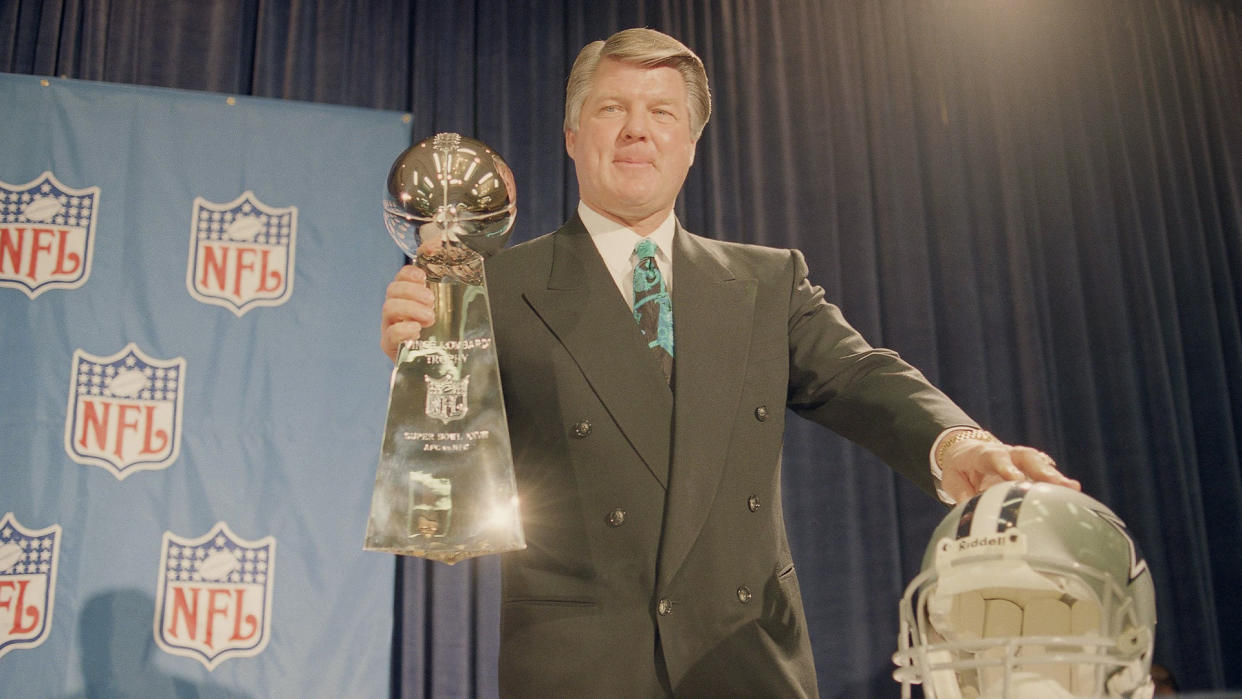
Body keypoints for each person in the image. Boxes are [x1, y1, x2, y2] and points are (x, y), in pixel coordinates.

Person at [380, 28, 1081, 698]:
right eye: (612, 109)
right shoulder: (492, 287)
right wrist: (424, 363)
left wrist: (956, 440)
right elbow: (450, 463)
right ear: (572, 136)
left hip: (745, 656)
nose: (636, 129)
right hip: (581, 664)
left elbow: (860, 374)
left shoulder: (766, 282)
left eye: (661, 113)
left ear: (689, 146)